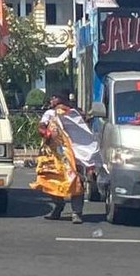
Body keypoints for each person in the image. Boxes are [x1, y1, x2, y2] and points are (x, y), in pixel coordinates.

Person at [30, 92, 102, 224]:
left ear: (61, 99)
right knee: (52, 180)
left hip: (75, 154)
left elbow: (83, 131)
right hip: (56, 155)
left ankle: (77, 213)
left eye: (54, 97)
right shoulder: (50, 114)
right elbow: (41, 127)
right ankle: (58, 206)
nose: (51, 99)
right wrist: (47, 133)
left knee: (76, 182)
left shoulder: (75, 114)